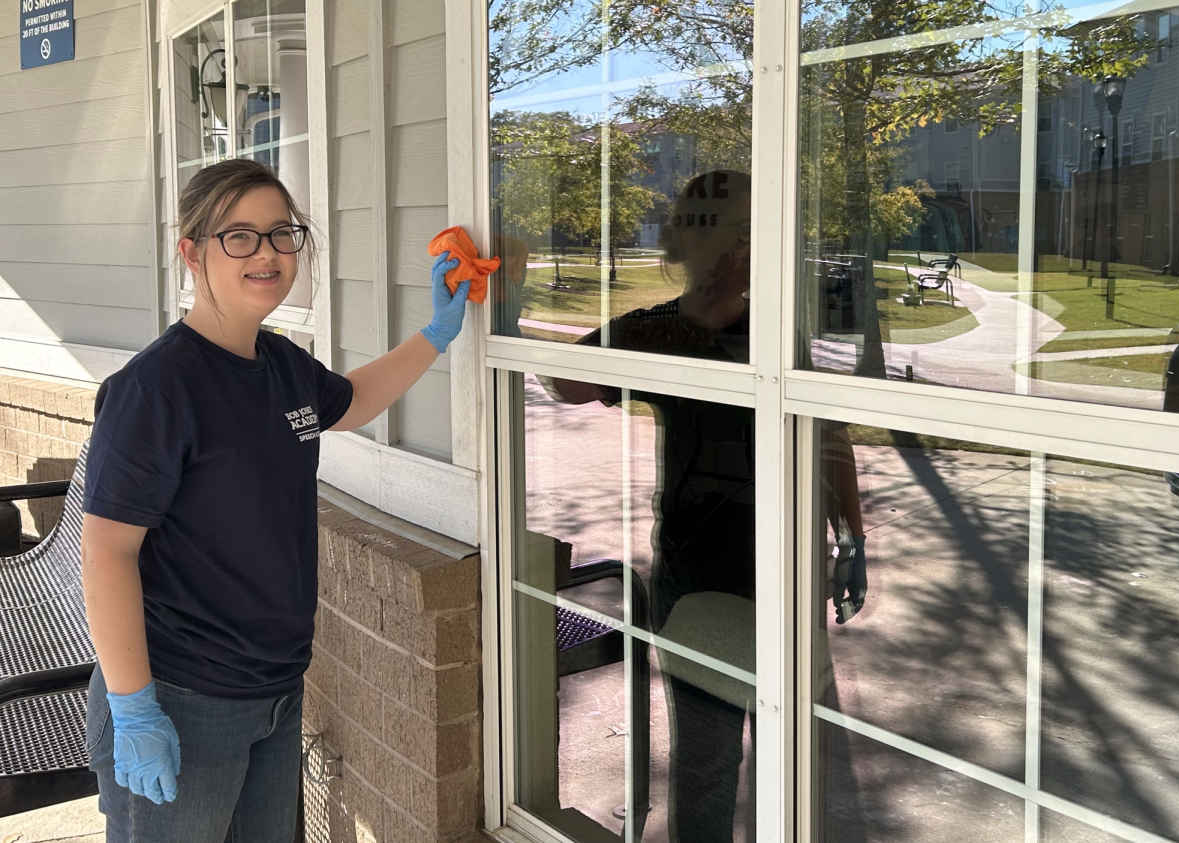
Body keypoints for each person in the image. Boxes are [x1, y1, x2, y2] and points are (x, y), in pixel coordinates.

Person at [80, 158, 473, 842]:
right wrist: (135, 708)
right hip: (181, 696)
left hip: (275, 690)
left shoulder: (282, 364)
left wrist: (436, 333)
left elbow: (351, 401)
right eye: (239, 236)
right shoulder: (157, 388)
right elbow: (106, 550)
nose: (265, 253)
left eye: (280, 234)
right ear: (191, 252)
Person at [541, 171, 868, 842]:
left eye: (746, 228)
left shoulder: (779, 333)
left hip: (787, 573)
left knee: (802, 757)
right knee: (710, 762)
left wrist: (851, 538)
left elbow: (828, 439)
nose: (737, 241)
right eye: (712, 224)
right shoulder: (660, 332)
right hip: (698, 579)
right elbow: (563, 379)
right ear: (685, 241)